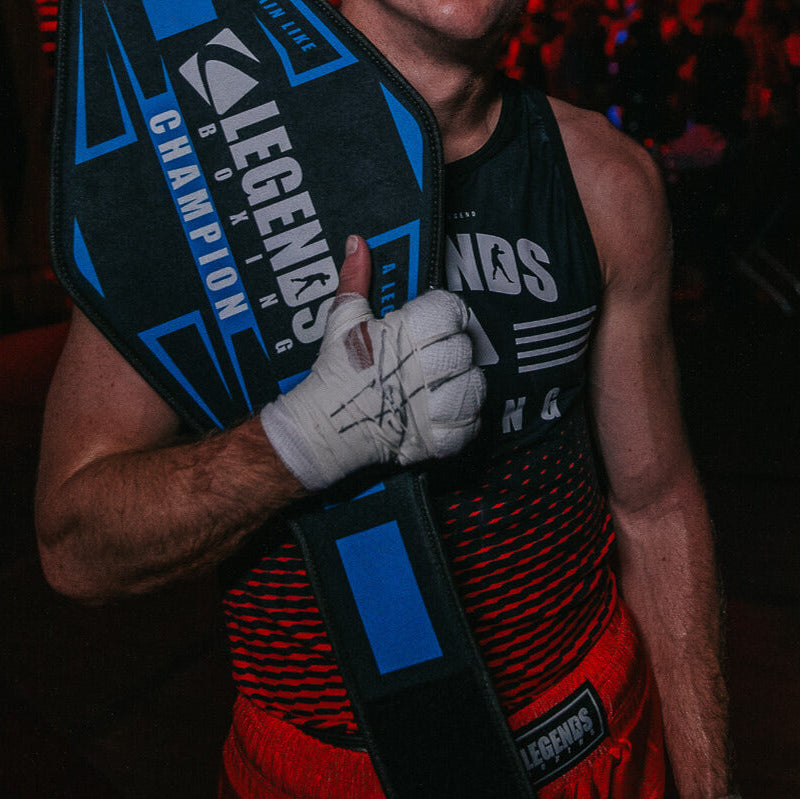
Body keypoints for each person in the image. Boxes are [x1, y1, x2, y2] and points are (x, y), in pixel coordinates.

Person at [35, 1, 735, 797]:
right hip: (323, 771)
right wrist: (295, 446)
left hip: (590, 740)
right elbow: (74, 543)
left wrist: (711, 783)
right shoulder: (200, 198)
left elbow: (656, 504)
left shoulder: (604, 182)